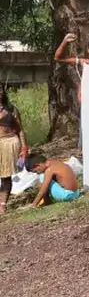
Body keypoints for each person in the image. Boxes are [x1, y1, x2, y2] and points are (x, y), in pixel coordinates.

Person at [0, 86, 28, 214]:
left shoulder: (11, 109)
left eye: (0, 89)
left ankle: (2, 205)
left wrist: (24, 148)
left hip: (9, 144)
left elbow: (20, 130)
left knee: (5, 176)